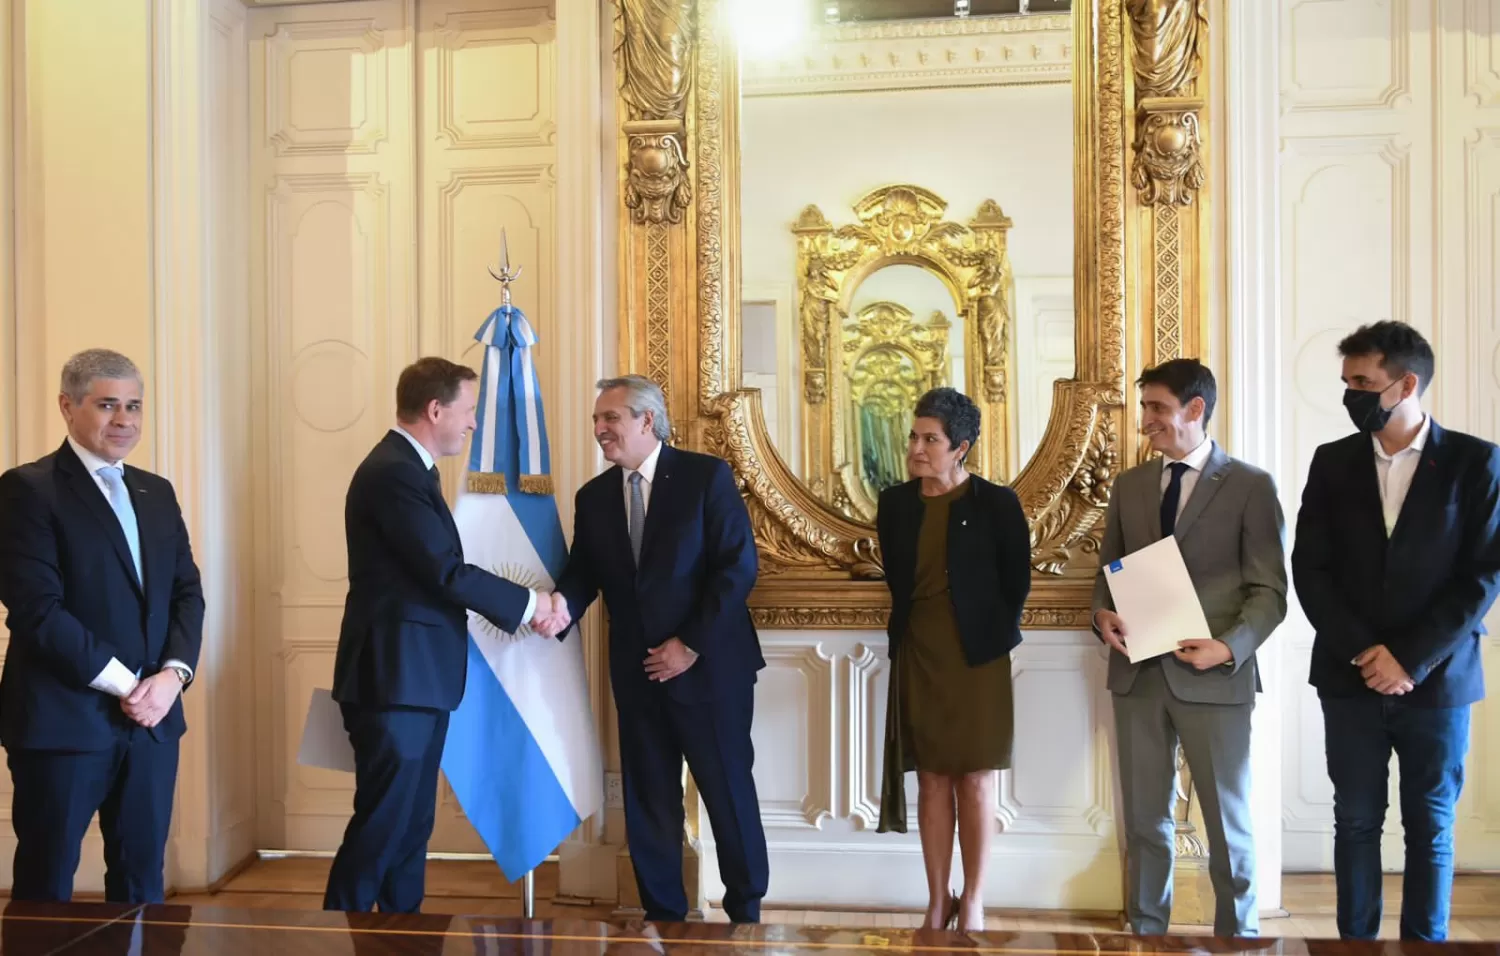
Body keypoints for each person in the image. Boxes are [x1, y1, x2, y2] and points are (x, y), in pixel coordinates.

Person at [323, 357, 566, 914]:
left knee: (409, 827)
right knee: (384, 825)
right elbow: (443, 572)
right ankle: (333, 939)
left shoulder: (410, 470)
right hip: (395, 680)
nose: (474, 423)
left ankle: (404, 937)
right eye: (469, 410)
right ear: (436, 410)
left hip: (415, 679)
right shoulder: (393, 473)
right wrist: (533, 604)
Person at [1292, 321, 1500, 942]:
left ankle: (1424, 947)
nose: (1350, 393)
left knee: (1431, 827)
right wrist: (1365, 651)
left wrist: (1408, 658)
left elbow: (1483, 575)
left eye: (1363, 381)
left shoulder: (1475, 461)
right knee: (1354, 821)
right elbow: (1310, 567)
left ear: (1406, 383)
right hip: (1348, 677)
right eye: (1346, 381)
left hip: (1436, 683)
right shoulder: (1332, 462)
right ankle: (1354, 947)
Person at [552, 374, 768, 923]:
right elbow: (583, 575)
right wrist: (554, 608)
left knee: (726, 794)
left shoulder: (704, 477)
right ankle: (664, 917)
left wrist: (689, 645)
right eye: (597, 420)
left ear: (648, 420)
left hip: (710, 668)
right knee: (648, 800)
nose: (600, 429)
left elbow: (737, 567)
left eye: (611, 419)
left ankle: (746, 912)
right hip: (638, 674)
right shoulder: (594, 497)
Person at [0, 349, 204, 903]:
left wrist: (171, 679)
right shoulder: (26, 490)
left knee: (141, 883)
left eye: (134, 406)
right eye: (107, 404)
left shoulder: (155, 491)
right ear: (68, 406)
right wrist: (127, 686)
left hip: (153, 721)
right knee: (46, 884)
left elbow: (187, 592)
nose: (125, 420)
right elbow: (36, 610)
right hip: (62, 723)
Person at [1091, 358, 1287, 937]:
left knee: (1228, 823)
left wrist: (1227, 649)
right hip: (1137, 676)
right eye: (1144, 407)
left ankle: (1238, 937)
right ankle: (1146, 933)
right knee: (1145, 822)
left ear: (1194, 409)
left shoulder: (1251, 486)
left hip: (1215, 677)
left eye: (1155, 407)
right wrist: (1101, 613)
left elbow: (1270, 592)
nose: (1144, 421)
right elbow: (1109, 569)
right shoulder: (1128, 486)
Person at [872, 387, 1031, 932]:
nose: (917, 448)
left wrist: (985, 631)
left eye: (930, 439)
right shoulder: (894, 504)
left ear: (960, 446)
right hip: (919, 653)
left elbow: (1016, 584)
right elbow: (900, 579)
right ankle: (938, 900)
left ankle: (976, 900)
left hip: (979, 658)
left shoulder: (997, 504)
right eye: (914, 437)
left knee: (977, 780)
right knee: (933, 779)